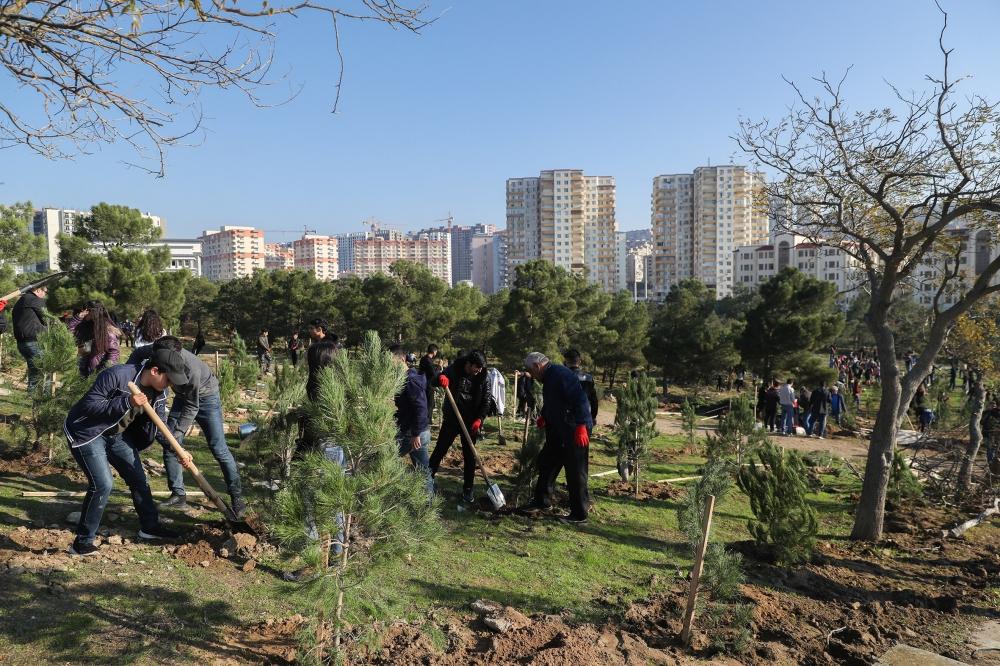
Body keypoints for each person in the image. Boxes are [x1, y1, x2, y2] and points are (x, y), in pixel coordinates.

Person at [63, 347, 192, 555]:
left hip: (116, 434)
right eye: (168, 380)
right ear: (155, 371)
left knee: (139, 480)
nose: (170, 385)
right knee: (103, 484)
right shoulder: (117, 375)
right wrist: (127, 402)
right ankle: (82, 542)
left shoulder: (160, 392)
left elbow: (160, 424)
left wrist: (177, 449)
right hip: (87, 432)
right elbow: (88, 406)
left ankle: (150, 528)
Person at [128, 337, 245, 516]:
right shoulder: (157, 351)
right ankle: (178, 494)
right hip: (182, 398)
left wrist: (179, 431)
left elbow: (192, 405)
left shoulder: (191, 370)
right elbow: (137, 355)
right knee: (170, 444)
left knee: (218, 447)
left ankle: (237, 497)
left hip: (206, 398)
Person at [524, 352, 593, 524]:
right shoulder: (548, 378)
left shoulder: (561, 374)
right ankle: (542, 501)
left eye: (530, 371)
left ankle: (579, 514)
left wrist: (582, 425)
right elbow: (554, 402)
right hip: (558, 429)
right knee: (547, 462)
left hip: (575, 429)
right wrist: (545, 416)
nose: (531, 375)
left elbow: (580, 399)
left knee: (576, 471)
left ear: (537, 366)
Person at [427, 351, 490, 503]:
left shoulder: (483, 377)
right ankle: (425, 481)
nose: (479, 370)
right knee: (440, 450)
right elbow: (434, 380)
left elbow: (487, 400)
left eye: (481, 368)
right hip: (452, 419)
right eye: (477, 367)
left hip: (471, 423)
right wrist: (440, 378)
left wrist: (479, 419)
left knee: (470, 456)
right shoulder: (454, 369)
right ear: (469, 364)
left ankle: (468, 490)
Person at [389, 344, 433, 495]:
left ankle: (393, 493)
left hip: (415, 433)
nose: (388, 365)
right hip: (416, 431)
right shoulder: (403, 379)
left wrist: (415, 433)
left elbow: (421, 408)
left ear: (401, 359)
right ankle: (427, 502)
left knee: (388, 457)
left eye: (390, 361)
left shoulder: (411, 380)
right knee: (422, 469)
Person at [68, 300, 121, 377]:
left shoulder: (107, 328)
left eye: (86, 310)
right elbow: (68, 333)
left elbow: (114, 352)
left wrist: (104, 370)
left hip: (98, 372)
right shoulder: (86, 325)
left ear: (93, 312)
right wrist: (77, 318)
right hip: (84, 370)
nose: (83, 312)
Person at [11, 283, 49, 391]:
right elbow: (47, 318)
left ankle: (32, 394)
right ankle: (44, 397)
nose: (45, 295)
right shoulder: (34, 299)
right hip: (33, 340)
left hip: (22, 342)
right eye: (44, 292)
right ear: (37, 290)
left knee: (34, 369)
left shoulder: (21, 301)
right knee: (45, 368)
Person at [418, 344, 440, 423]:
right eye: (436, 351)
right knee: (430, 403)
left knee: (425, 402)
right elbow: (434, 374)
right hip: (429, 384)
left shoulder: (423, 359)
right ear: (434, 351)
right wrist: (439, 366)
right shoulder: (428, 360)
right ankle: (428, 419)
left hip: (422, 383)